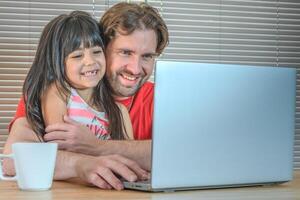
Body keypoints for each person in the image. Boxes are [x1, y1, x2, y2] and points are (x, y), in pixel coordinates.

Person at [3, 2, 169, 190]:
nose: (135, 68)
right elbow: (14, 158)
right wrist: (79, 164)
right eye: (125, 52)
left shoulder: (160, 99)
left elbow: (184, 153)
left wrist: (96, 146)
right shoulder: (55, 92)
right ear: (104, 46)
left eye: (147, 56)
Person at [23, 10, 133, 143]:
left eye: (97, 52)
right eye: (77, 56)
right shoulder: (59, 92)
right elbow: (60, 146)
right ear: (57, 61)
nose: (91, 61)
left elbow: (129, 155)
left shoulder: (119, 112)